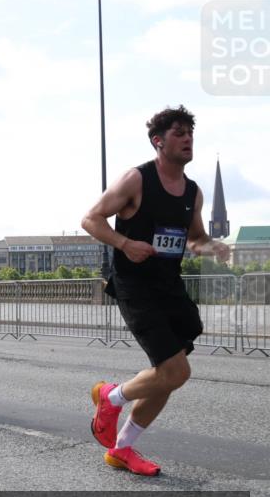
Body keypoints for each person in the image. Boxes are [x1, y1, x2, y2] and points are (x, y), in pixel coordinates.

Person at [81, 105, 230, 477]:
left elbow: (194, 240)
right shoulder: (136, 180)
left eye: (190, 134)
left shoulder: (192, 193)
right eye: (179, 133)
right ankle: (111, 397)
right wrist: (124, 243)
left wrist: (214, 247)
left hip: (170, 286)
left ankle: (121, 449)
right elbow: (90, 219)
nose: (187, 139)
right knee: (176, 371)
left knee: (168, 375)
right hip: (136, 286)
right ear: (158, 142)